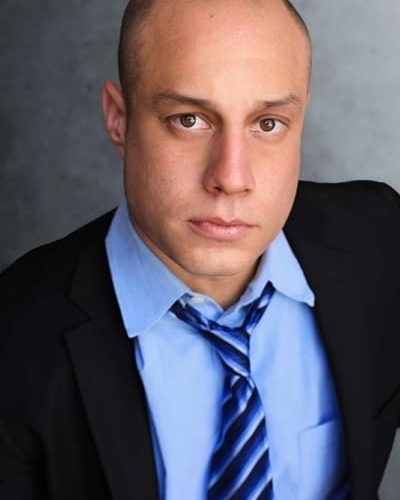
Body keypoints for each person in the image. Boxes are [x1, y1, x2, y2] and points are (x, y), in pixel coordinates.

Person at [0, 0, 399, 499]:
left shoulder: (380, 241)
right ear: (119, 120)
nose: (231, 177)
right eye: (189, 120)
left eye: (268, 123)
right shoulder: (15, 338)